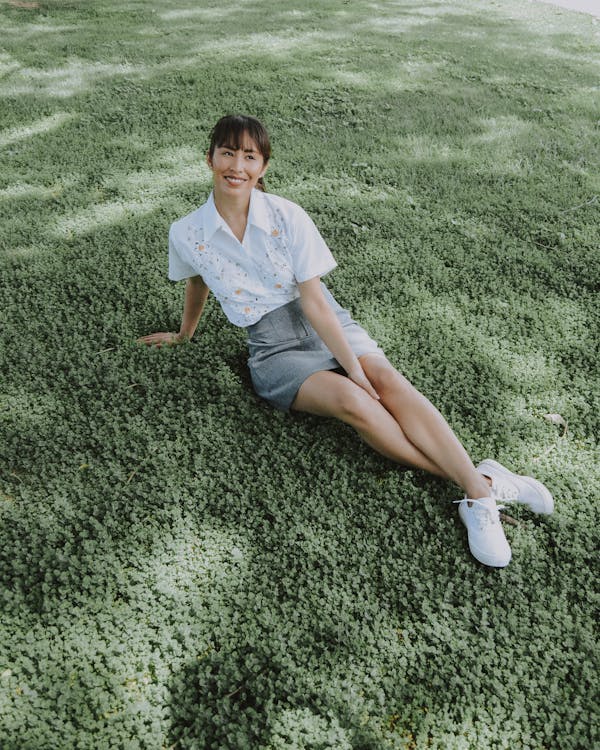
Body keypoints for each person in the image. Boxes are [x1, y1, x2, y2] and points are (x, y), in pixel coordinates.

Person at [138, 114, 554, 567]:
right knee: (357, 404)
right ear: (210, 158)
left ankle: (477, 494)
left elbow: (316, 305)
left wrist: (356, 368)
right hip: (274, 351)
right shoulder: (187, 233)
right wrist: (184, 333)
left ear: (263, 167)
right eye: (228, 153)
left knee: (385, 381)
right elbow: (196, 284)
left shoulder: (286, 215)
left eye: (250, 156)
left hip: (324, 320)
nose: (237, 165)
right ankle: (483, 484)